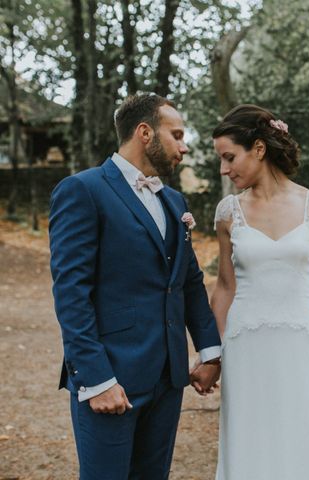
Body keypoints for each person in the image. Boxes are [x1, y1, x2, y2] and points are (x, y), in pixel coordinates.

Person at [49, 93, 222, 479]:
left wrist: (210, 353)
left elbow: (188, 282)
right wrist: (96, 380)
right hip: (112, 376)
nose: (184, 145)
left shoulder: (175, 201)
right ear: (145, 132)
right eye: (176, 134)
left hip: (168, 378)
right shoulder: (83, 190)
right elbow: (71, 294)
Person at [208, 104, 309, 479]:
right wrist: (211, 354)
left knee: (302, 440)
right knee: (248, 442)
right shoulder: (227, 213)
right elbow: (224, 286)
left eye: (228, 157)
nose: (224, 169)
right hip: (246, 345)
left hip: (301, 343)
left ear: (258, 148)